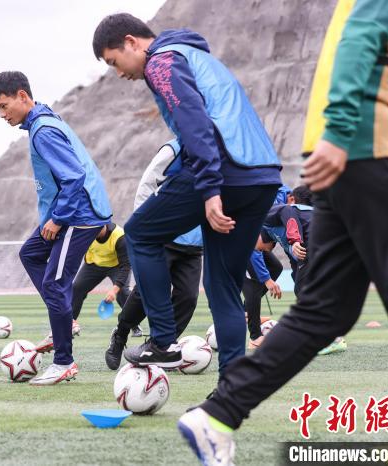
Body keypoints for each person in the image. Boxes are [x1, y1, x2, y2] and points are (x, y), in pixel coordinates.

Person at [177, 1, 388, 463]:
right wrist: (341, 131)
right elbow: (360, 35)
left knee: (324, 311)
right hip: (373, 148)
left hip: (351, 154)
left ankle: (219, 414)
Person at [92, 14, 281, 372]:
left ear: (131, 42)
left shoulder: (161, 61)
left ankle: (163, 342)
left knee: (140, 233)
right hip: (261, 176)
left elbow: (194, 121)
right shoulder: (195, 56)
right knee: (223, 286)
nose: (117, 73)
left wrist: (210, 190)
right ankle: (232, 390)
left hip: (224, 170)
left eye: (114, 62)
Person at [0, 71, 112, 385]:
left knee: (55, 285)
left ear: (22, 96)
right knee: (30, 254)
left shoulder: (43, 130)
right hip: (69, 212)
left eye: (3, 106)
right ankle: (64, 322)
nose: (2, 115)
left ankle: (63, 362)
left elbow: (74, 176)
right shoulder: (41, 122)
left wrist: (58, 218)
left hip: (77, 216)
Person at [106, 139, 203, 370]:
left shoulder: (220, 153)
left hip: (194, 245)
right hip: (163, 237)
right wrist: (146, 228)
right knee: (145, 294)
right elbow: (147, 185)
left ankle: (160, 346)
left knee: (188, 298)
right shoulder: (175, 148)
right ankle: (120, 334)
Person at [243, 186, 291, 348]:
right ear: (292, 200)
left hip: (254, 243)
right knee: (255, 284)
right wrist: (267, 280)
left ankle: (245, 311)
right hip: (242, 243)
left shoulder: (282, 194)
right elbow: (253, 250)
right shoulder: (263, 200)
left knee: (276, 267)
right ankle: (255, 336)